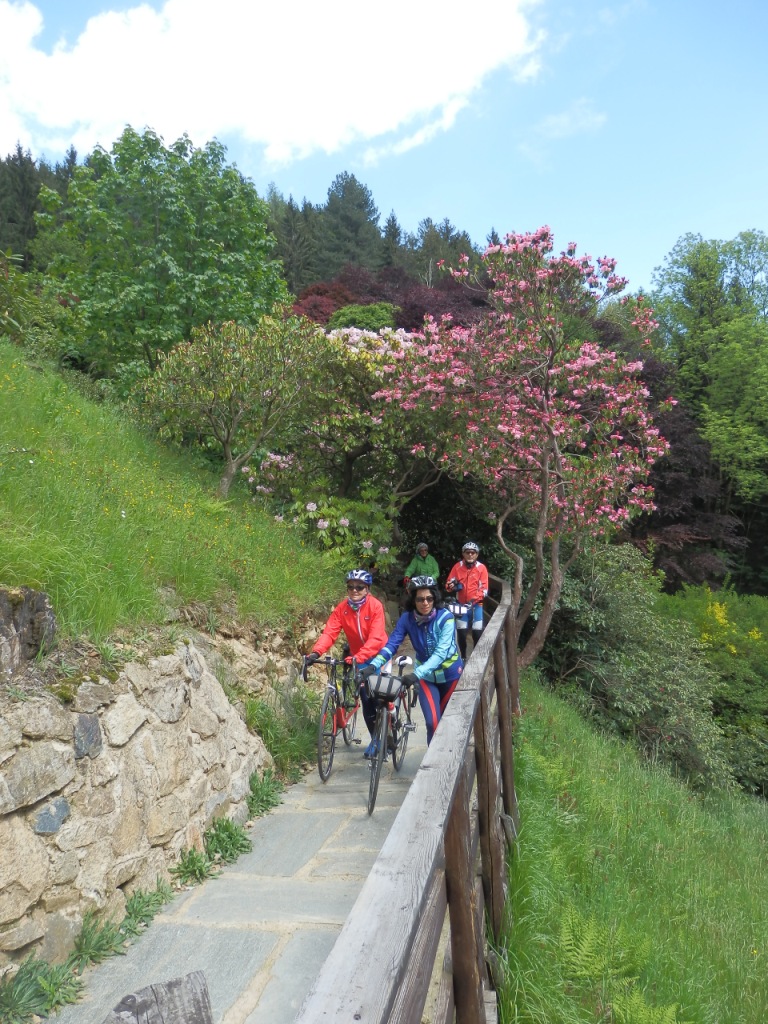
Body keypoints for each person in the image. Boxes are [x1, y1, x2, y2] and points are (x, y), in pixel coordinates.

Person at [362, 575, 463, 749]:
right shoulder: (407, 618)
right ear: (413, 600)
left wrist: (415, 674)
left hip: (450, 676)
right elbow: (392, 644)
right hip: (427, 679)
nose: (425, 603)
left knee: (449, 724)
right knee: (432, 723)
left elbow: (440, 653)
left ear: (435, 598)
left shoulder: (446, 617)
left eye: (429, 598)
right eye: (420, 599)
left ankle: (451, 758)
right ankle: (434, 763)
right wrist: (373, 665)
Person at [305, 569, 388, 752]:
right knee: (365, 697)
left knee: (380, 696)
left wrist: (359, 657)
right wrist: (316, 653)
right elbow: (330, 633)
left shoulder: (375, 606)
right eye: (350, 587)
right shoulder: (342, 608)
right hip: (359, 657)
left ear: (367, 589)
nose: (354, 590)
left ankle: (390, 723)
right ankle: (376, 740)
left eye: (359, 587)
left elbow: (376, 638)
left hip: (379, 655)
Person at [444, 541, 489, 659]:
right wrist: (451, 586)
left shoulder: (481, 568)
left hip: (476, 605)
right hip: (461, 605)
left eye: (473, 553)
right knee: (462, 633)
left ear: (477, 554)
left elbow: (484, 589)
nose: (470, 555)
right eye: (467, 552)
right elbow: (448, 584)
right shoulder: (457, 567)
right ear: (463, 554)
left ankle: (475, 657)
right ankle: (463, 657)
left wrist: (473, 600)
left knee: (477, 632)